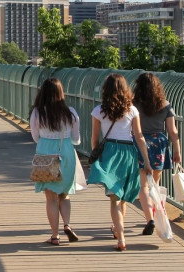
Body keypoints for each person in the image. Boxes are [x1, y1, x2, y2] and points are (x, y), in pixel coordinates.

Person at [87, 73, 152, 251]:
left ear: (105, 90)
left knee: (115, 197)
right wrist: (146, 161)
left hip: (109, 151)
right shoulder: (132, 110)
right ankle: (118, 231)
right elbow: (139, 136)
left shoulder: (99, 110)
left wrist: (97, 157)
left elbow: (94, 139)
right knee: (122, 197)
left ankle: (120, 237)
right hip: (128, 152)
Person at [30, 78, 82, 246]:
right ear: (61, 93)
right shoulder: (71, 112)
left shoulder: (38, 112)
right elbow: (76, 138)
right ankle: (67, 224)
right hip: (65, 151)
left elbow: (35, 136)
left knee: (51, 197)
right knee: (64, 194)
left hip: (46, 152)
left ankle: (55, 235)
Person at [133, 72, 181, 236]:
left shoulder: (133, 105)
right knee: (155, 183)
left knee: (143, 185)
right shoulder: (165, 105)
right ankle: (154, 215)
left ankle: (149, 220)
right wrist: (177, 150)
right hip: (159, 144)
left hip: (140, 143)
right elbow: (172, 131)